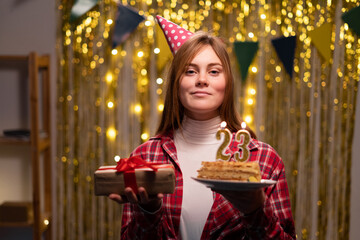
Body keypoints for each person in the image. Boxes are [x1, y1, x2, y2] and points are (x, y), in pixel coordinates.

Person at [109, 15, 296, 239]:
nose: (202, 80)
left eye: (214, 71)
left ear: (227, 84)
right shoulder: (145, 156)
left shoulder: (264, 160)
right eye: (190, 71)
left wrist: (256, 212)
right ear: (177, 83)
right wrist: (149, 210)